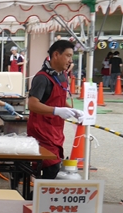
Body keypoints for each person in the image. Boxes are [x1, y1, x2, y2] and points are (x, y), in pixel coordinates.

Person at [27, 40, 84, 180]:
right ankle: (37, 193)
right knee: (50, 168)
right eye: (68, 56)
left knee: (52, 168)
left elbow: (58, 99)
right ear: (56, 55)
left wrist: (73, 111)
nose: (70, 60)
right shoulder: (42, 78)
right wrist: (56, 111)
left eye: (71, 56)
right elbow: (32, 104)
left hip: (56, 131)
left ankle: (40, 192)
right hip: (41, 131)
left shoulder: (62, 75)